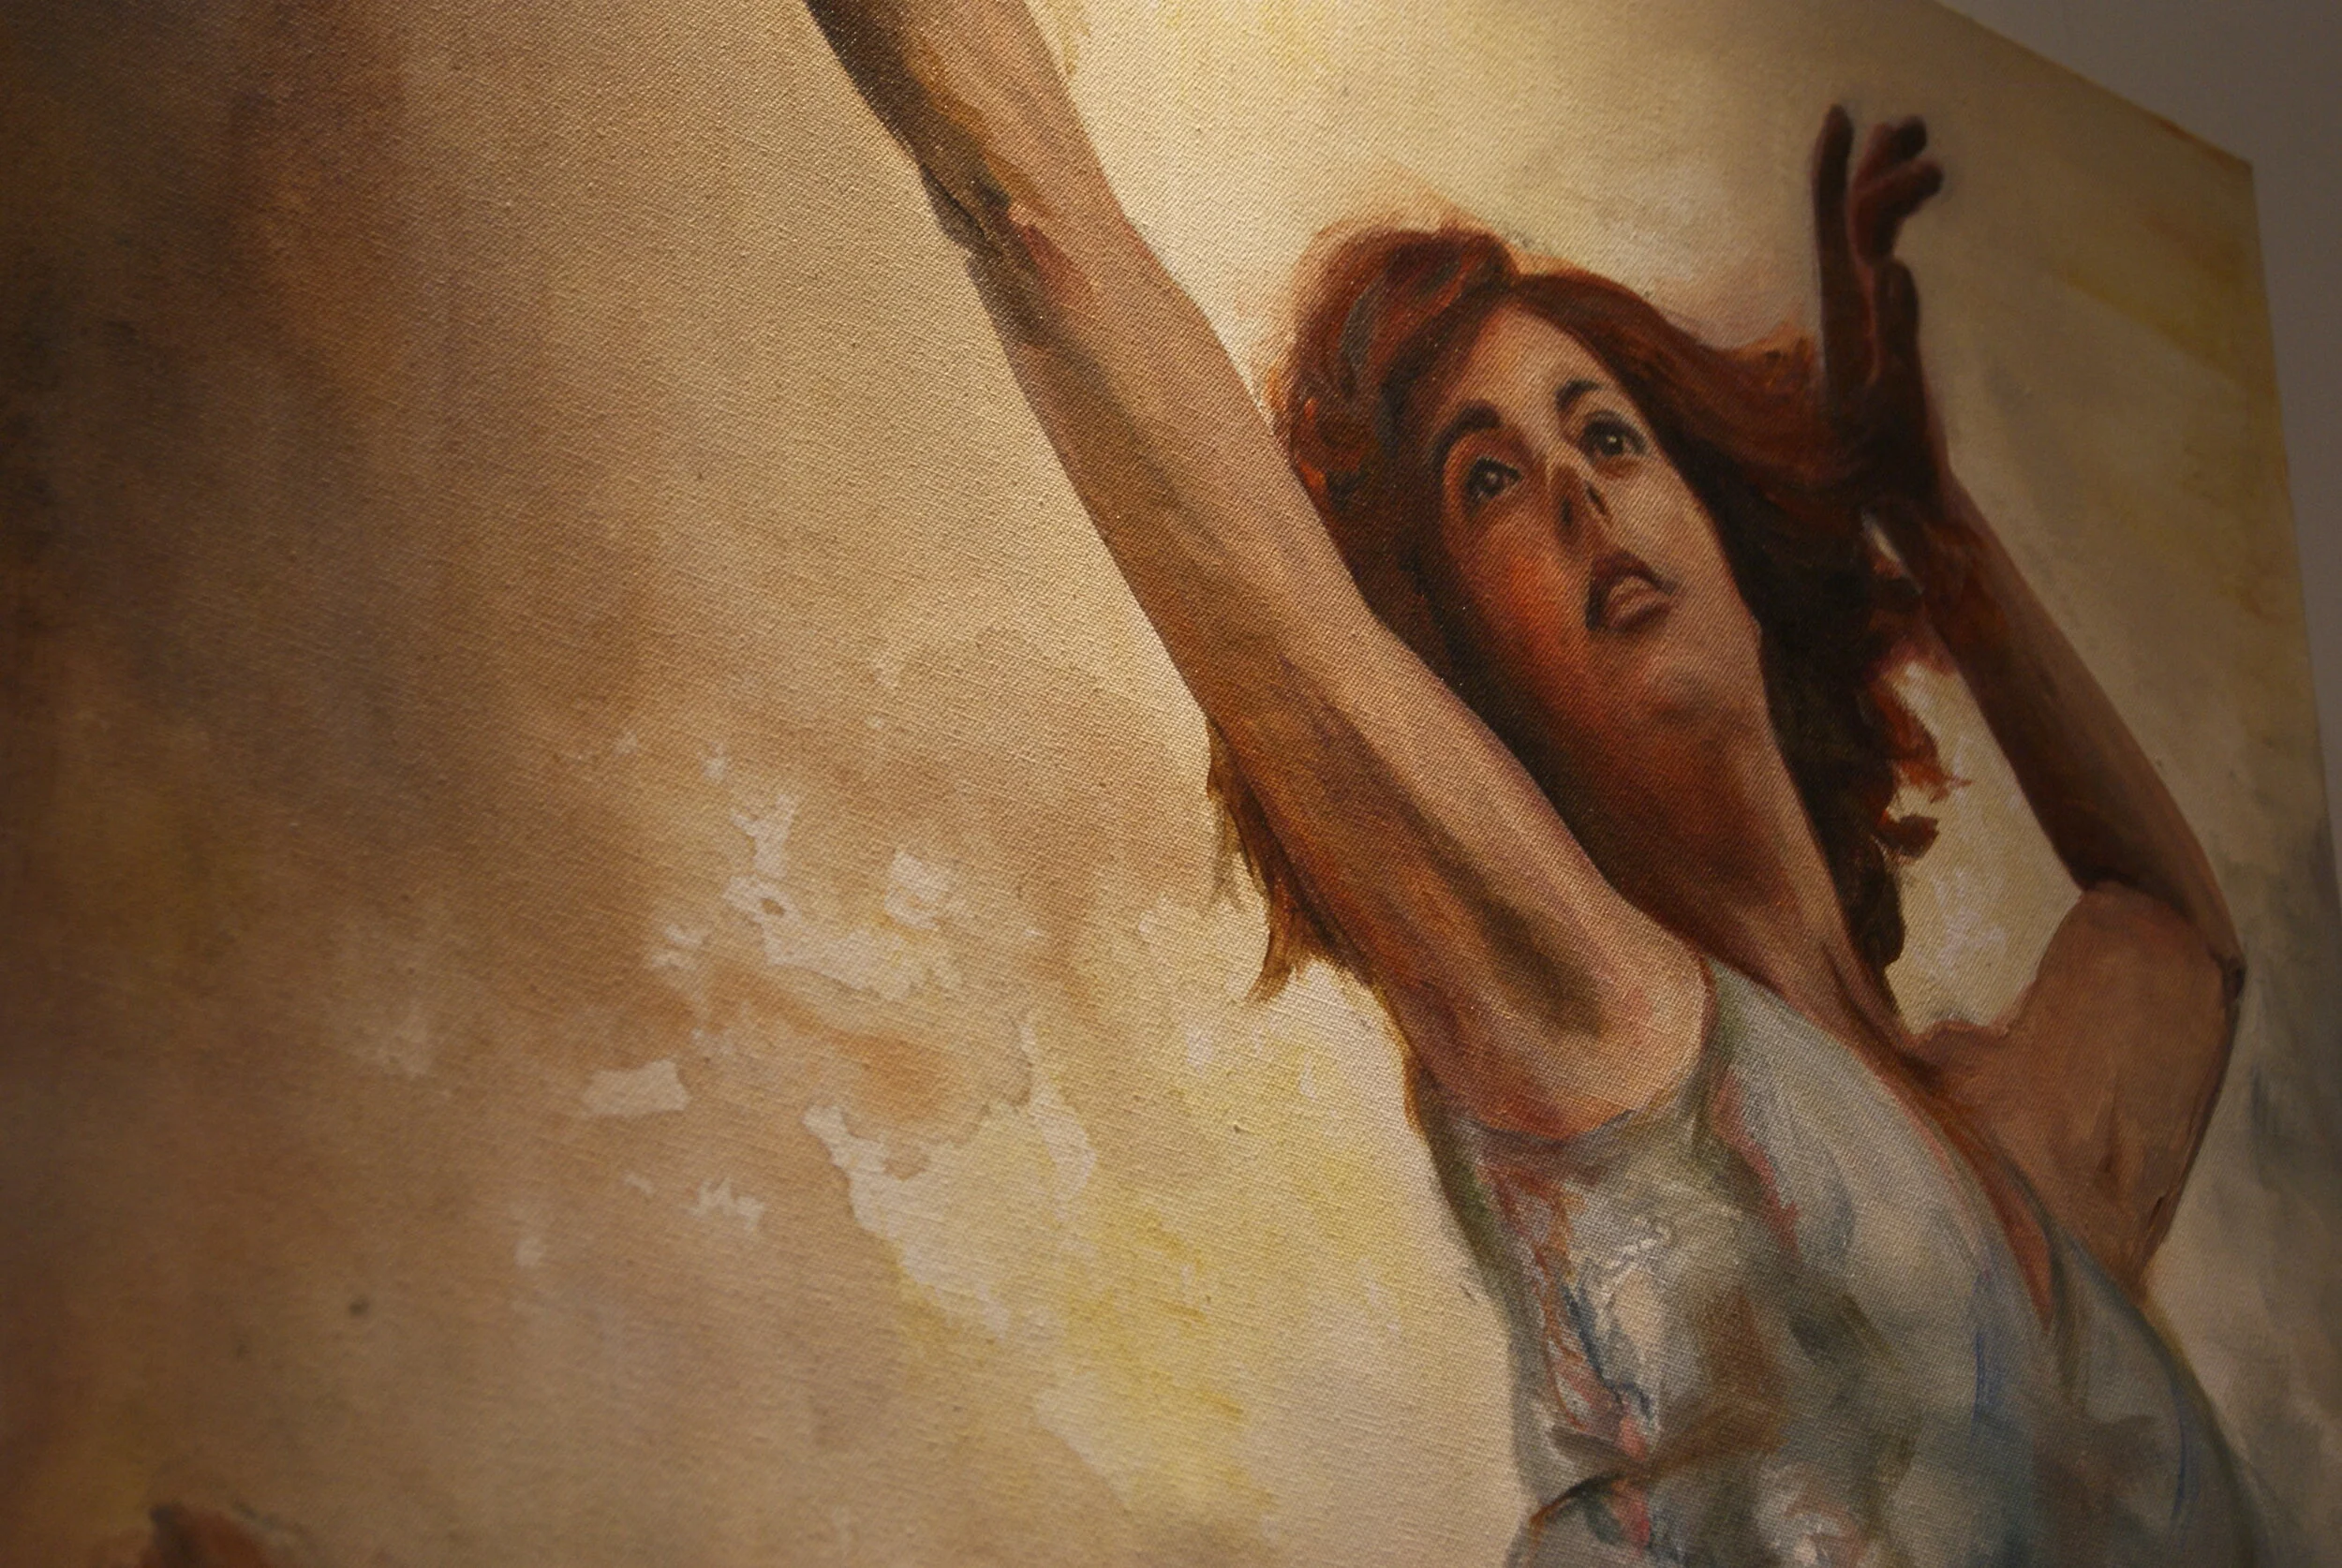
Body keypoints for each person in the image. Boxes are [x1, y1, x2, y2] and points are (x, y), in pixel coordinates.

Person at [806, 0, 2260, 1561]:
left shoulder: (2031, 1141)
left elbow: (2177, 931)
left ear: (1734, 544)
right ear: (1460, 674)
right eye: (1489, 479)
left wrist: (1925, 509)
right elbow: (1044, 233)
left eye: (1609, 435)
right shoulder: (1603, 1019)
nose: (1571, 485)